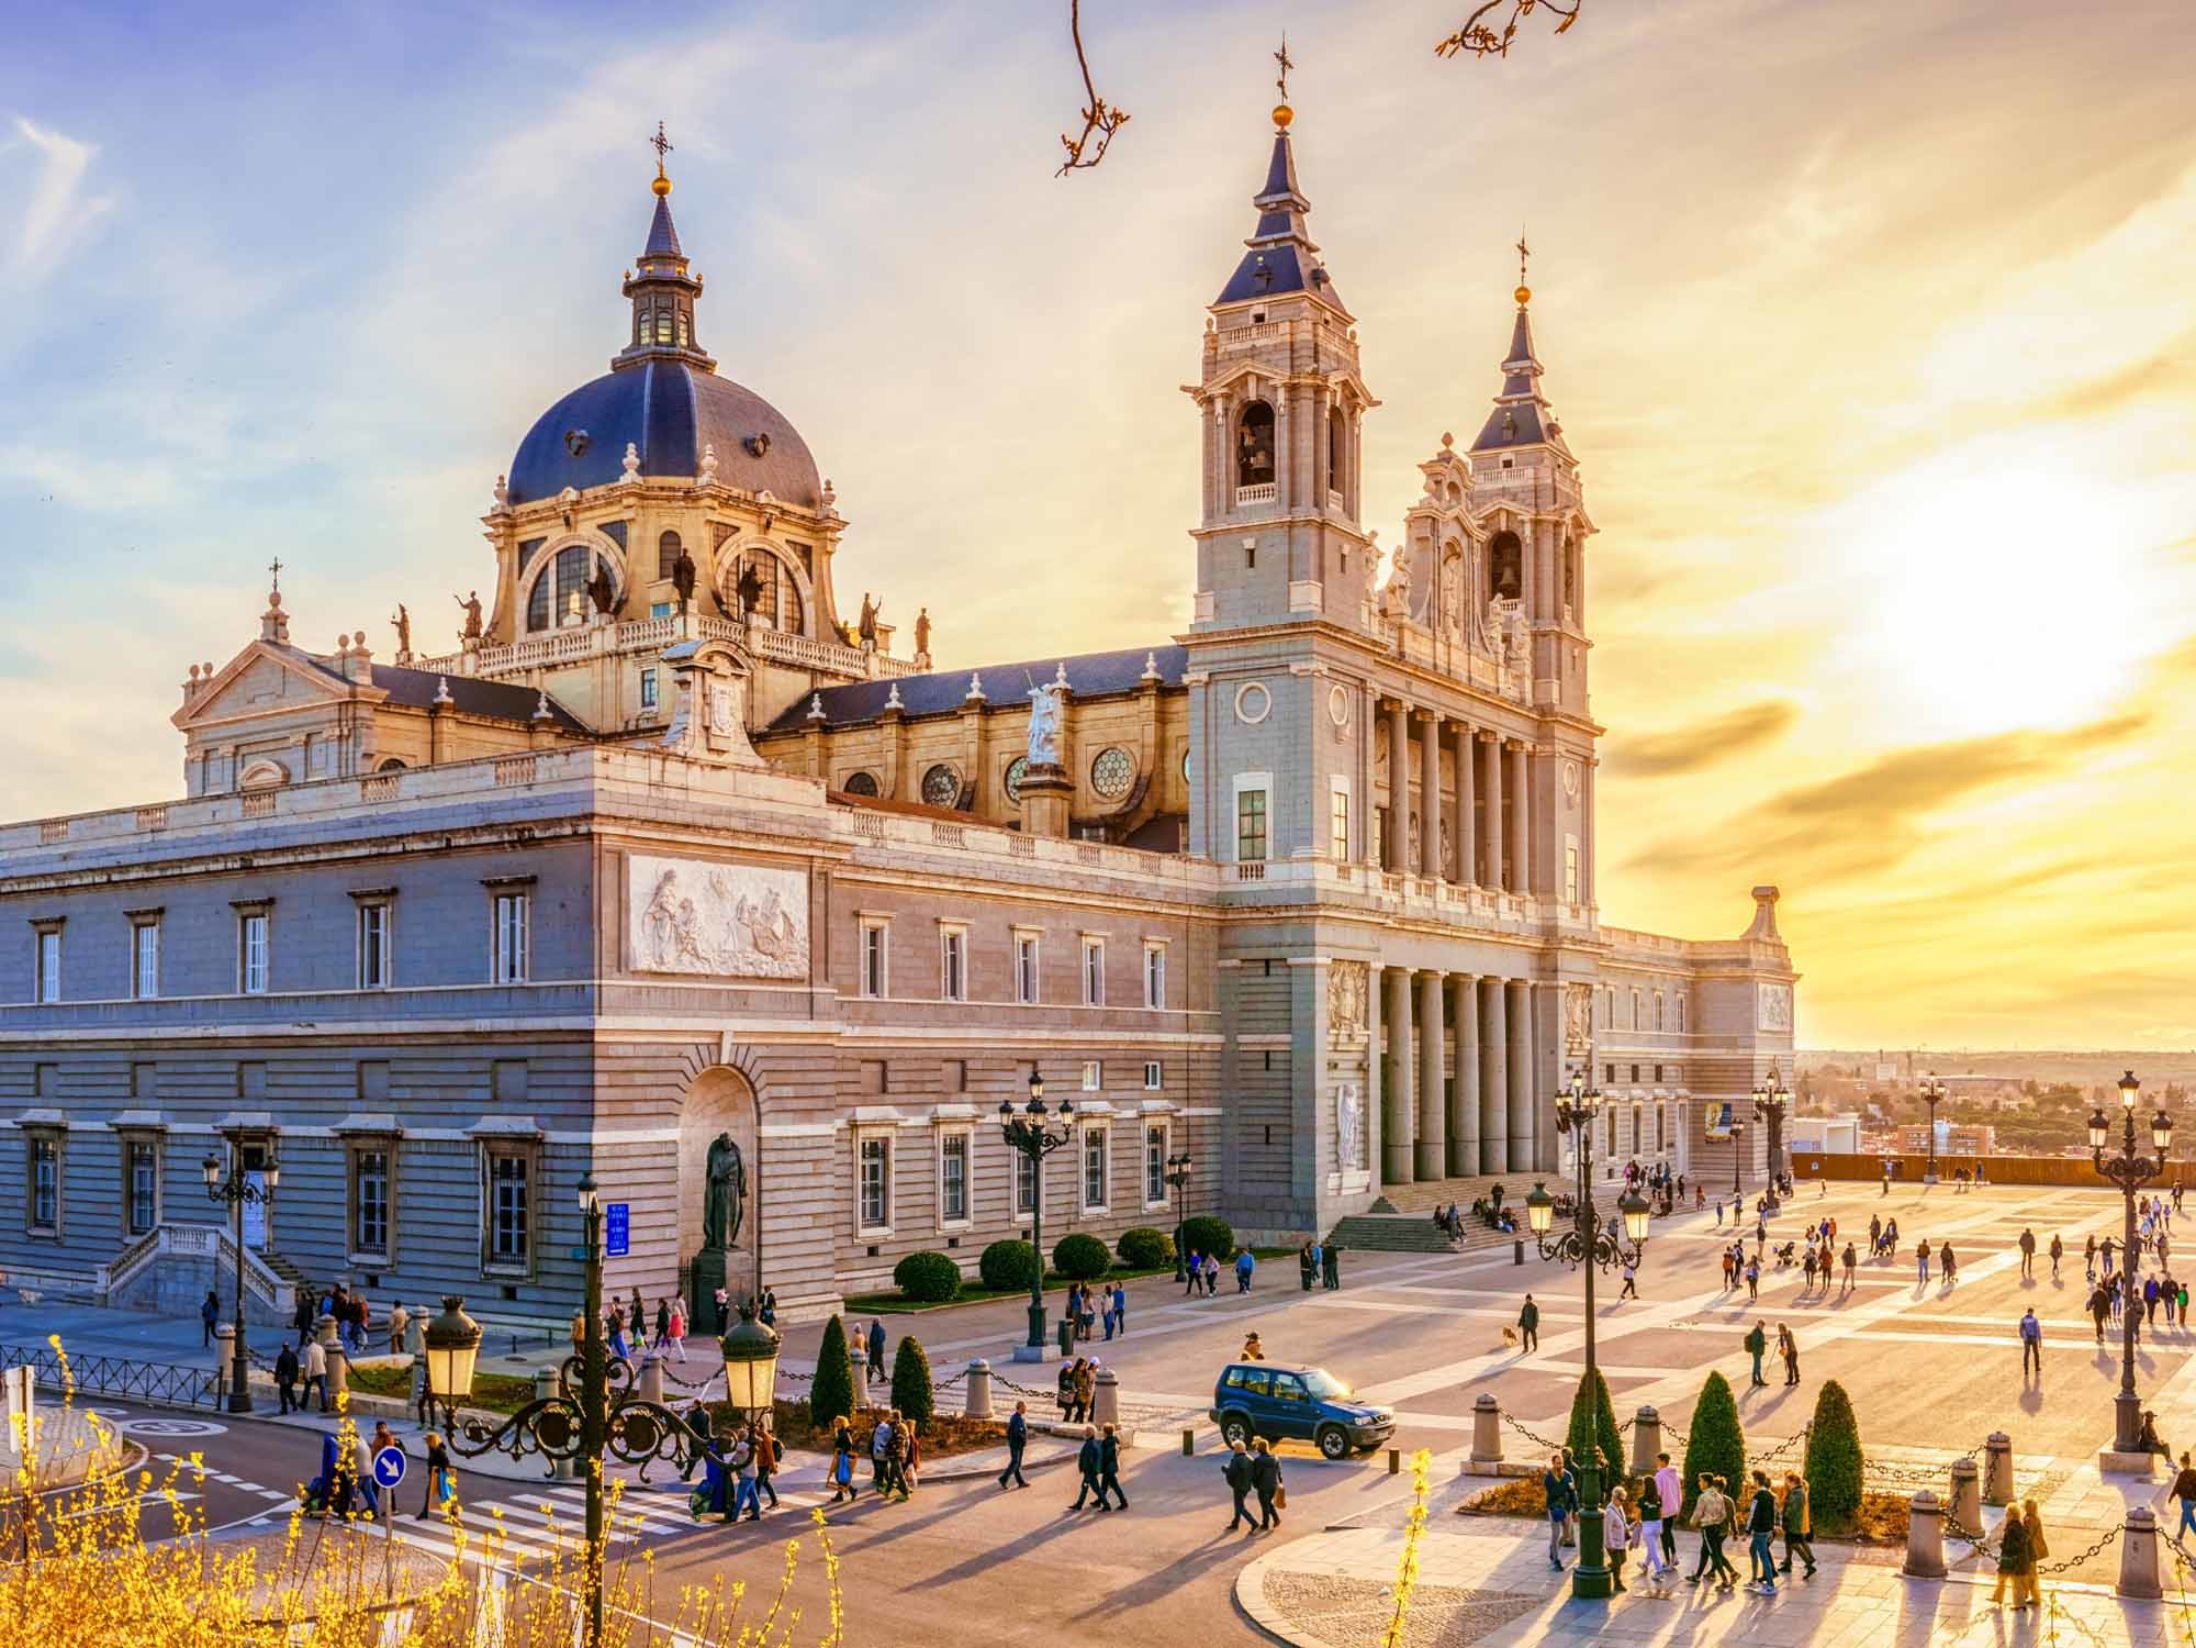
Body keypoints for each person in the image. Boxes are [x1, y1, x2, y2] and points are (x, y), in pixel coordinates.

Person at [1689, 1474, 1737, 1587]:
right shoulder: (1720, 1497)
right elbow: (1724, 1515)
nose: (1699, 1483)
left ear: (1706, 1482)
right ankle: (1700, 1575)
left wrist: (1693, 1523)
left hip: (1708, 1528)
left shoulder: (1704, 1496)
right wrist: (1717, 1521)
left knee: (1714, 1554)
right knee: (1711, 1552)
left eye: (1700, 1481)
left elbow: (1697, 1513)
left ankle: (1726, 1578)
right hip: (1718, 1528)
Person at [1991, 1497, 2032, 1606]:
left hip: (2012, 1560)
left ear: (2012, 1515)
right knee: (2006, 1579)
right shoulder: (2018, 1527)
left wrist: (2002, 1544)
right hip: (2018, 1560)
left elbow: (2012, 1546)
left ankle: (2018, 1603)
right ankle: (1997, 1597)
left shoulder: (2012, 1529)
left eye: (2007, 1514)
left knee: (2009, 1581)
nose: (2005, 1516)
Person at [1744, 1470, 1779, 1593]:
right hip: (1766, 1529)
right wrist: (1771, 1528)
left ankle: (1770, 1585)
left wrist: (1747, 1531)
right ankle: (1754, 1580)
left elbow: (1752, 1514)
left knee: (1763, 1555)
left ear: (1757, 1481)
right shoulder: (1770, 1495)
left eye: (1753, 1480)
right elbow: (1772, 1513)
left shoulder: (1758, 1496)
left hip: (1759, 1530)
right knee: (1753, 1550)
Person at [1779, 1470, 1816, 1578]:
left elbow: (1792, 1509)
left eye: (1788, 1482)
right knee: (1790, 1542)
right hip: (1793, 1523)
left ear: (1792, 1482)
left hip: (1793, 1524)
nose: (1787, 1485)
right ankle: (1788, 1563)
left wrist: (1785, 1516)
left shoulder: (1797, 1494)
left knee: (1794, 1544)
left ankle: (1809, 1565)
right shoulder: (1797, 1492)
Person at [1541, 1452, 1574, 1569]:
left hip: (1565, 1508)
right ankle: (1555, 1560)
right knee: (1556, 1534)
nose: (1559, 1465)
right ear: (1553, 1464)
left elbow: (1572, 1492)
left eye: (1561, 1463)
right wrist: (1566, 1486)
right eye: (1557, 1463)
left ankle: (1553, 1548)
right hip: (1553, 1508)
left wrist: (1576, 1508)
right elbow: (1555, 1492)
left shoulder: (1568, 1475)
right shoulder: (1549, 1477)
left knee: (1567, 1534)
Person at [1637, 1472, 1670, 1584]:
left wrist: (1637, 1523)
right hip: (1657, 1525)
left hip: (1647, 1526)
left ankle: (1659, 1570)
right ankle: (1645, 1564)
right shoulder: (1658, 1498)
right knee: (1652, 1547)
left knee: (1653, 1550)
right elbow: (1660, 1512)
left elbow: (1639, 1513)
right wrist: (1660, 1524)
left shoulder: (1642, 1499)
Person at [418, 1431, 457, 1523]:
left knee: (445, 1494)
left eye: (427, 1441)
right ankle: (425, 1512)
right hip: (435, 1476)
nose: (426, 1443)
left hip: (439, 1477)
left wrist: (436, 1470)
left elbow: (446, 1464)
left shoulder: (439, 1451)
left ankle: (452, 1511)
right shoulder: (433, 1449)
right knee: (435, 1494)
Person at [1654, 1452, 1681, 1571]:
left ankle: (1668, 1561)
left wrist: (1657, 1510)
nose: (1657, 1463)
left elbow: (1658, 1494)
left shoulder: (1659, 1476)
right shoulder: (1675, 1475)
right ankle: (1674, 1556)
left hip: (1664, 1510)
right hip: (1673, 1508)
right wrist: (1678, 1507)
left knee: (1664, 1535)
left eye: (1658, 1461)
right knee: (1669, 1533)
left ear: (1663, 1461)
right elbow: (1679, 1492)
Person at [1223, 1439, 1257, 1531]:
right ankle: (1235, 1522)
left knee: (1240, 1506)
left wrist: (1225, 1470)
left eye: (1234, 1448)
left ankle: (1253, 1522)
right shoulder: (1250, 1459)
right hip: (1246, 1485)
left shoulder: (1236, 1460)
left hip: (1238, 1485)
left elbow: (1232, 1473)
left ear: (1237, 1449)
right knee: (1238, 1504)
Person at [1603, 1485, 1632, 1594]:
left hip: (1620, 1541)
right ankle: (1617, 1583)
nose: (1622, 1502)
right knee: (1617, 1562)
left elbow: (1623, 1523)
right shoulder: (1609, 1512)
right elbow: (1607, 1529)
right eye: (1621, 1500)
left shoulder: (1619, 1508)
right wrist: (1610, 1545)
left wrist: (1631, 1526)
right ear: (1614, 1498)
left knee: (1622, 1560)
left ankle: (1605, 1571)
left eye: (1623, 1500)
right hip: (1613, 1542)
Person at [2020, 1499, 2048, 1607]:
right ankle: (2029, 1594)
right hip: (2032, 1549)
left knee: (2030, 1574)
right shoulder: (2033, 1518)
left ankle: (2033, 1596)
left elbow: (2028, 1535)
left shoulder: (2030, 1520)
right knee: (2030, 1573)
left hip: (2030, 1550)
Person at [1251, 1438, 1284, 1530]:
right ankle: (1276, 1519)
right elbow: (1279, 1472)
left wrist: (1255, 1483)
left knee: (1264, 1505)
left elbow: (1256, 1474)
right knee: (1268, 1503)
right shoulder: (1275, 1459)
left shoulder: (1258, 1461)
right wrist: (1280, 1481)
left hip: (1263, 1485)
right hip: (1273, 1484)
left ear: (1259, 1449)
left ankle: (1265, 1524)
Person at [1096, 1423, 1128, 1511]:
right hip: (1113, 1466)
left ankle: (1119, 1503)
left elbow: (1106, 1456)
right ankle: (1100, 1501)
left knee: (1112, 1486)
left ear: (1105, 1433)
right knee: (1106, 1486)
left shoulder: (1106, 1443)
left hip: (1108, 1468)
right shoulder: (1115, 1440)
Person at [1070, 1425, 1103, 1510]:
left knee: (1092, 1488)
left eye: (1085, 1432)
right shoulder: (1093, 1443)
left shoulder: (1089, 1445)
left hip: (1089, 1472)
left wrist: (1084, 1468)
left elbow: (1088, 1459)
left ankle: (1105, 1503)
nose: (1084, 1433)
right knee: (1088, 1487)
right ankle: (1080, 1504)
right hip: (1090, 1472)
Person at [999, 1401, 1030, 1489]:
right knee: (1015, 1462)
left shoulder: (1017, 1417)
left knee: (1017, 1464)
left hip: (1016, 1444)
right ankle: (1003, 1479)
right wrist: (1023, 1439)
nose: (1025, 1409)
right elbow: (1017, 1432)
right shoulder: (1017, 1419)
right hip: (1016, 1444)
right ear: (1019, 1408)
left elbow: (1009, 1431)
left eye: (1025, 1407)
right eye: (1024, 1407)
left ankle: (1020, 1482)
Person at [829, 1417, 858, 1504]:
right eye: (835, 1422)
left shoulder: (845, 1433)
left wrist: (843, 1452)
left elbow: (849, 1445)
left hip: (843, 1457)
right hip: (840, 1456)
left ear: (842, 1423)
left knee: (839, 1476)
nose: (835, 1424)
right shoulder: (840, 1432)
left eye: (837, 1422)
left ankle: (850, 1491)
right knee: (840, 1477)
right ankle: (842, 1494)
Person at [302, 1334, 329, 1412]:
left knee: (307, 1389)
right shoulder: (320, 1348)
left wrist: (307, 1375)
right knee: (323, 1389)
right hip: (322, 1371)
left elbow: (308, 1364)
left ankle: (303, 1404)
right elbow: (325, 1360)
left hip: (313, 1373)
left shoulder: (308, 1350)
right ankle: (325, 1406)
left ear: (308, 1341)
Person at [275, 1341, 300, 1414]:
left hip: (284, 1377)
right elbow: (296, 1367)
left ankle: (284, 1408)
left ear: (283, 1347)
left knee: (283, 1393)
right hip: (292, 1377)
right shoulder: (293, 1355)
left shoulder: (281, 1356)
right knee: (289, 1391)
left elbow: (278, 1368)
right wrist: (296, 1378)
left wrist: (276, 1378)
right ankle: (294, 1405)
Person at [1744, 1319, 1768, 1388]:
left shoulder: (1758, 1331)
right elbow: (1755, 1343)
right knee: (1758, 1366)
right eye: (1761, 1325)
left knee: (1756, 1366)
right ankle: (1759, 1380)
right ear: (1758, 1324)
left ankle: (1754, 1380)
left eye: (1763, 1326)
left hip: (1758, 1352)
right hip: (1756, 1352)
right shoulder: (1756, 1332)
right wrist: (1763, 1343)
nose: (1762, 1327)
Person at [867, 1318, 887, 1385]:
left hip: (874, 1349)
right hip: (880, 1348)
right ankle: (883, 1376)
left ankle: (868, 1378)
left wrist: (870, 1346)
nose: (872, 1322)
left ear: (875, 1322)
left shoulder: (874, 1329)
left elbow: (874, 1339)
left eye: (873, 1321)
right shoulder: (881, 1329)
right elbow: (884, 1337)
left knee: (871, 1363)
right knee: (880, 1363)